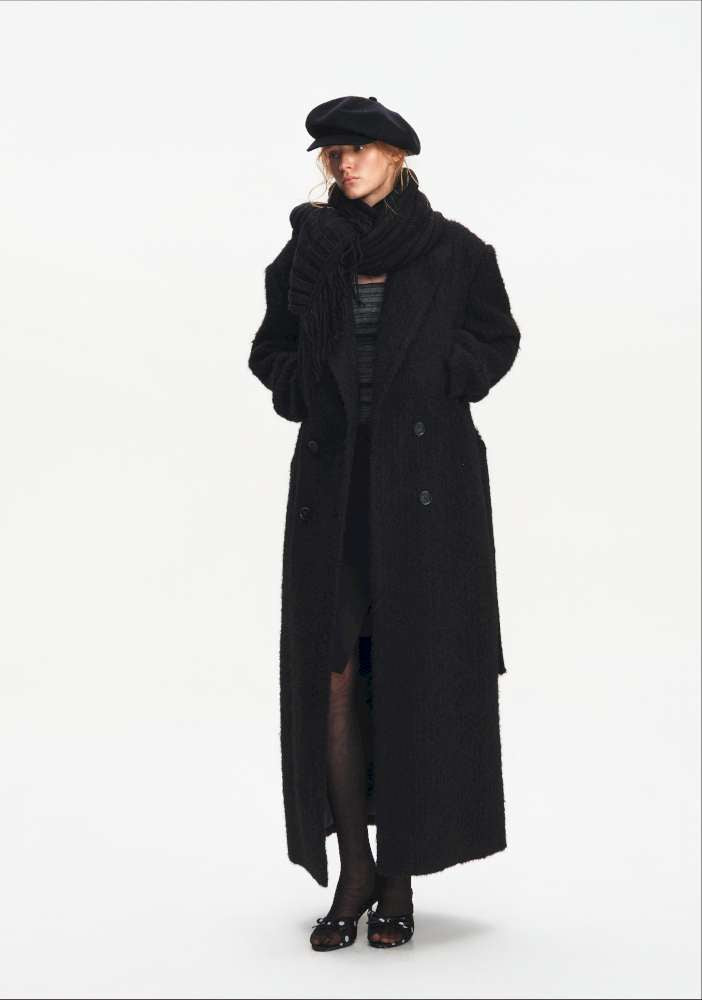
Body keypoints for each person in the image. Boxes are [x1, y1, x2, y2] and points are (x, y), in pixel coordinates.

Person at [248, 96, 521, 952]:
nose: (344, 164)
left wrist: (445, 376)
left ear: (397, 157)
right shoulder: (307, 251)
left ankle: (400, 876)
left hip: (426, 491)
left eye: (359, 149)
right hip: (335, 492)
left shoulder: (455, 252)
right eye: (332, 153)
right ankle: (356, 871)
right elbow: (270, 348)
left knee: (407, 674)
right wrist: (303, 389)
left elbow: (498, 338)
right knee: (330, 677)